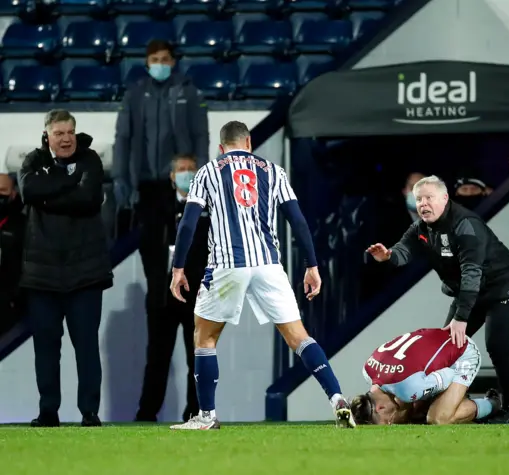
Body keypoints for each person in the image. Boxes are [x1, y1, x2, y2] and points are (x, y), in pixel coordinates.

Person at [168, 121, 355, 430]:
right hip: (269, 265)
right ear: (249, 142)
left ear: (221, 146)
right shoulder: (273, 170)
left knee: (205, 335)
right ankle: (337, 398)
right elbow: (298, 220)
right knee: (299, 337)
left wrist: (179, 268)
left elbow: (188, 224)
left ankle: (207, 416)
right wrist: (312, 265)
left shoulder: (208, 172)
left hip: (228, 264)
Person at [365, 176, 509, 424]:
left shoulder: (465, 225)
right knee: (443, 350)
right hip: (468, 292)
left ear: (445, 198)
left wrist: (461, 318)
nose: (423, 204)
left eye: (429, 198)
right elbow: (403, 251)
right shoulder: (422, 228)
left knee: (496, 346)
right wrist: (388, 256)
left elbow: (473, 273)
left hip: (500, 288)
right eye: (419, 199)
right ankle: (454, 401)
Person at [17, 109, 113, 427]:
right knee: (46, 348)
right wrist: (68, 182)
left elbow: (87, 198)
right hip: (41, 275)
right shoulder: (32, 161)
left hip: (85, 273)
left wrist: (51, 192)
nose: (66, 138)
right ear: (47, 136)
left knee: (86, 346)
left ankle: (89, 412)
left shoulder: (91, 160)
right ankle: (49, 411)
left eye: (70, 131)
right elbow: (30, 191)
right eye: (59, 133)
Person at [112, 38, 209, 297]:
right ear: (146, 63)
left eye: (165, 59)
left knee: (190, 254)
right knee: (153, 256)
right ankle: (158, 304)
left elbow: (201, 136)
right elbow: (122, 138)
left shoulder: (189, 92)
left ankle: (188, 307)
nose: (160, 65)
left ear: (173, 62)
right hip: (145, 185)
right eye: (155, 60)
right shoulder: (133, 94)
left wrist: (201, 178)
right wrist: (121, 178)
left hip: (179, 184)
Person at [135, 155, 205, 423]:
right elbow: (148, 247)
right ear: (172, 176)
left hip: (197, 295)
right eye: (181, 170)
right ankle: (147, 413)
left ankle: (196, 412)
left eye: (191, 169)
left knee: (197, 357)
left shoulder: (208, 208)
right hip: (163, 297)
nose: (187, 174)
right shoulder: (157, 209)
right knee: (157, 358)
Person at [350, 328, 502, 425]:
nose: (391, 423)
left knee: (438, 418)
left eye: (387, 422)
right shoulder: (367, 369)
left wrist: (444, 399)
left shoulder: (408, 389)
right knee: (411, 409)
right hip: (435, 340)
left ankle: (492, 404)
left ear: (380, 407)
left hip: (461, 353)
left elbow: (449, 375)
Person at [0, 173, 26, 335]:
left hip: (8, 310)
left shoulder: (24, 227)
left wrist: (12, 300)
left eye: (2, 191)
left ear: (13, 194)